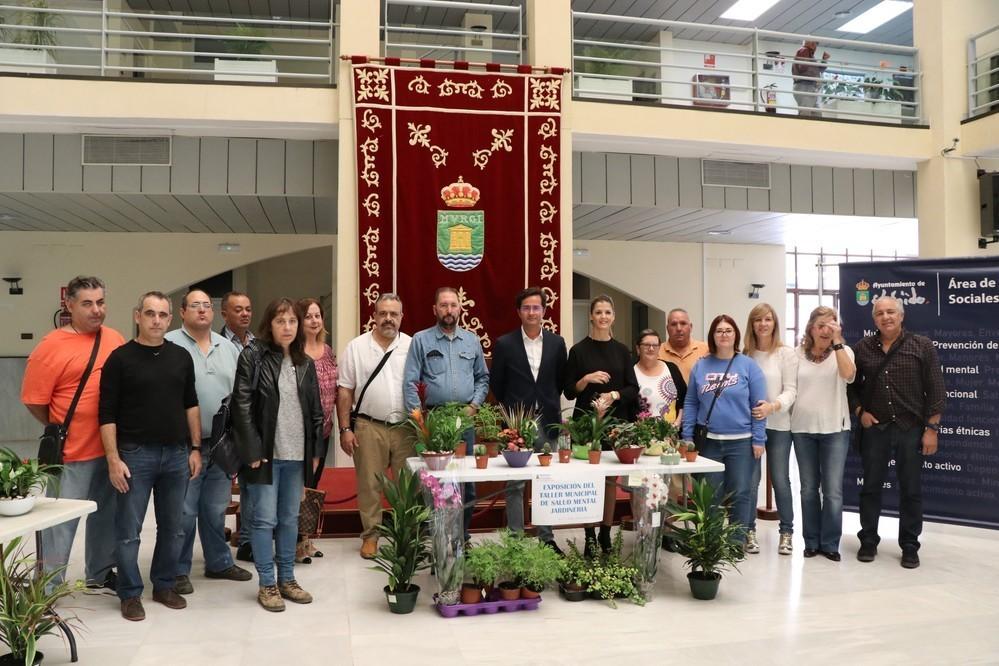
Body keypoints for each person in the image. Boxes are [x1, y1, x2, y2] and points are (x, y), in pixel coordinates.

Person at [99, 291, 201, 621]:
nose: (156, 320)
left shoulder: (181, 357)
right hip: (134, 456)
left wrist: (195, 448)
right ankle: (129, 593)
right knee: (129, 531)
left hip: (176, 455)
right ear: (137, 316)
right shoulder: (120, 359)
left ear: (170, 319)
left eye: (162, 314)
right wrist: (113, 459)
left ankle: (163, 585)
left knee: (174, 528)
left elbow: (191, 403)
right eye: (150, 313)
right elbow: (107, 413)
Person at [21, 276, 125, 593]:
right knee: (59, 525)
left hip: (109, 451)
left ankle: (100, 572)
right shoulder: (50, 346)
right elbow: (35, 401)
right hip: (69, 455)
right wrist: (61, 426)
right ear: (69, 305)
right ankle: (49, 588)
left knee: (105, 517)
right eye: (87, 303)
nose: (97, 310)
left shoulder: (114, 338)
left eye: (101, 302)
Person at [231, 298, 323, 611]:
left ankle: (287, 578)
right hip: (266, 455)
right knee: (263, 520)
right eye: (280, 321)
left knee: (289, 519)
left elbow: (316, 412)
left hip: (297, 455)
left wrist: (315, 451)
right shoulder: (253, 357)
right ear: (269, 324)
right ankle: (267, 583)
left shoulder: (305, 362)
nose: (287, 327)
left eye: (292, 322)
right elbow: (241, 407)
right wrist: (253, 450)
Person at [165, 290, 252, 595]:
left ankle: (218, 562)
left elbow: (242, 394)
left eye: (206, 306)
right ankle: (177, 569)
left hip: (222, 444)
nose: (202, 311)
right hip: (184, 445)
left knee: (215, 507)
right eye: (195, 306)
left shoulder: (228, 347)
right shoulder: (170, 344)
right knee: (184, 510)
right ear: (182, 311)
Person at [850, 296, 945, 569]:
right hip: (875, 429)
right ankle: (868, 540)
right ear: (874, 319)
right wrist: (860, 413)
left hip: (911, 429)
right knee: (870, 488)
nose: (886, 317)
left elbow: (936, 392)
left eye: (891, 312)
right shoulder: (863, 348)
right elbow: (851, 387)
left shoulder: (922, 346)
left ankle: (910, 546)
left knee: (911, 490)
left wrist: (931, 429)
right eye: (880, 313)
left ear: (901, 316)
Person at [403, 287, 489, 540]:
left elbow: (483, 377)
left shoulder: (472, 341)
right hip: (434, 420)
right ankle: (439, 542)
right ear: (435, 309)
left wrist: (474, 406)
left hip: (464, 421)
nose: (449, 310)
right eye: (444, 305)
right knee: (436, 485)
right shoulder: (421, 340)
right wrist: (420, 421)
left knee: (466, 484)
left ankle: (462, 538)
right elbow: (410, 381)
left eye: (453, 305)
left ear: (460, 308)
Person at [337, 293, 416, 559]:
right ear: (374, 316)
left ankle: (405, 535)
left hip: (406, 428)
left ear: (402, 317)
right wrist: (345, 428)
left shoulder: (412, 345)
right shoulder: (356, 348)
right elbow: (345, 390)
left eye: (394, 314)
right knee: (370, 485)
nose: (388, 319)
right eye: (383, 313)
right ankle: (371, 536)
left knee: (407, 486)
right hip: (369, 427)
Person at [490, 287, 568, 553]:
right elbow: (497, 386)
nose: (532, 312)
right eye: (527, 308)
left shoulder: (557, 344)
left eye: (536, 307)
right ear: (519, 312)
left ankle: (547, 539)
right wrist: (515, 413)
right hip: (516, 426)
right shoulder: (505, 344)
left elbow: (559, 382)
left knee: (547, 483)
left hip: (547, 421)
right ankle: (515, 540)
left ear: (544, 311)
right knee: (515, 485)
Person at [563, 294, 639, 554]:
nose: (603, 317)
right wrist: (586, 378)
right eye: (599, 312)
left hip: (614, 425)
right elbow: (570, 391)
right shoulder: (578, 350)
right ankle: (589, 536)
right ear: (591, 316)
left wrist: (614, 394)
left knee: (609, 482)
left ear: (613, 317)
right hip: (585, 426)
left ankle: (606, 533)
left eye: (608, 312)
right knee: (587, 482)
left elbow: (633, 388)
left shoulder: (622, 351)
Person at [682, 315, 766, 543]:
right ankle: (712, 541)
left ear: (736, 334)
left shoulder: (748, 366)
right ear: (712, 336)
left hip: (742, 442)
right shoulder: (701, 365)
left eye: (728, 330)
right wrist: (687, 435)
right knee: (711, 495)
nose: (724, 334)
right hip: (708, 442)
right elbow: (691, 403)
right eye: (719, 331)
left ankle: (737, 541)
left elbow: (759, 406)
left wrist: (759, 438)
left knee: (741, 493)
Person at [791, 306, 855, 562]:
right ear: (811, 328)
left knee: (832, 492)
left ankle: (829, 543)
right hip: (802, 429)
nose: (826, 331)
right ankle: (811, 541)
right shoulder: (796, 355)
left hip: (835, 430)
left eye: (832, 326)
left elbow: (848, 376)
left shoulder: (844, 351)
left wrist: (837, 343)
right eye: (821, 326)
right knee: (808, 489)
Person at [743, 303, 798, 556]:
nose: (763, 324)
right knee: (750, 482)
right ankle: (748, 531)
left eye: (767, 319)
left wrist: (773, 406)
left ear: (774, 323)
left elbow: (791, 390)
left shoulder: (785, 354)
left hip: (778, 425)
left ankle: (786, 533)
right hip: (750, 427)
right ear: (751, 325)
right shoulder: (745, 355)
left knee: (781, 480)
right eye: (758, 320)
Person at [297, 297, 337, 562]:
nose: (314, 321)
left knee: (313, 486)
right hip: (299, 434)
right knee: (298, 488)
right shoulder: (295, 352)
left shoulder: (328, 350)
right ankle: (295, 543)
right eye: (308, 316)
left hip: (323, 430)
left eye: (317, 316)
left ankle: (307, 540)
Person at [219, 290, 256, 562]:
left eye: (247, 309)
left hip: (253, 426)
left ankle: (247, 540)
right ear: (224, 313)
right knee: (219, 490)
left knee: (252, 485)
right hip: (226, 428)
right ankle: (217, 541)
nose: (244, 314)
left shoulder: (258, 344)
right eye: (238, 309)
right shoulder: (216, 343)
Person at [634, 328, 685, 425]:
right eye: (646, 345)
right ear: (638, 348)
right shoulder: (631, 372)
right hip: (642, 435)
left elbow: (684, 399)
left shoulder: (671, 368)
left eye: (655, 345)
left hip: (672, 435)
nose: (651, 348)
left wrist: (678, 422)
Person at [657, 308, 708, 383]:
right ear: (667, 328)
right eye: (674, 324)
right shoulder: (657, 351)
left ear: (690, 327)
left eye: (683, 323)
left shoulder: (706, 349)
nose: (678, 328)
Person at [792, 40, 830, 118]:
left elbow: (819, 70)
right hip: (804, 86)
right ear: (809, 44)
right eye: (814, 44)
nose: (815, 47)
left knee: (816, 114)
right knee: (806, 112)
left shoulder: (810, 56)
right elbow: (803, 67)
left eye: (815, 44)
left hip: (810, 87)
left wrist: (824, 60)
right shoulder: (804, 51)